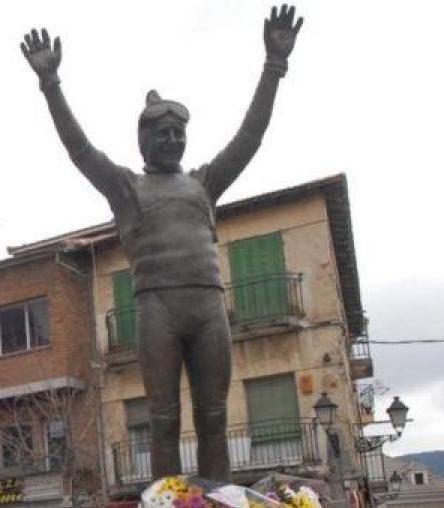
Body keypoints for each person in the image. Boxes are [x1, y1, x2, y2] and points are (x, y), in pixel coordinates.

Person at [19, 5, 304, 483]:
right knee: (164, 417)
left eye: (179, 132)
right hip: (157, 309)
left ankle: (217, 507)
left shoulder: (204, 184)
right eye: (162, 132)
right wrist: (51, 85)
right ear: (143, 142)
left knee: (213, 414)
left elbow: (250, 136)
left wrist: (274, 66)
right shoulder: (126, 188)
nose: (173, 139)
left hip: (208, 305)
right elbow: (80, 149)